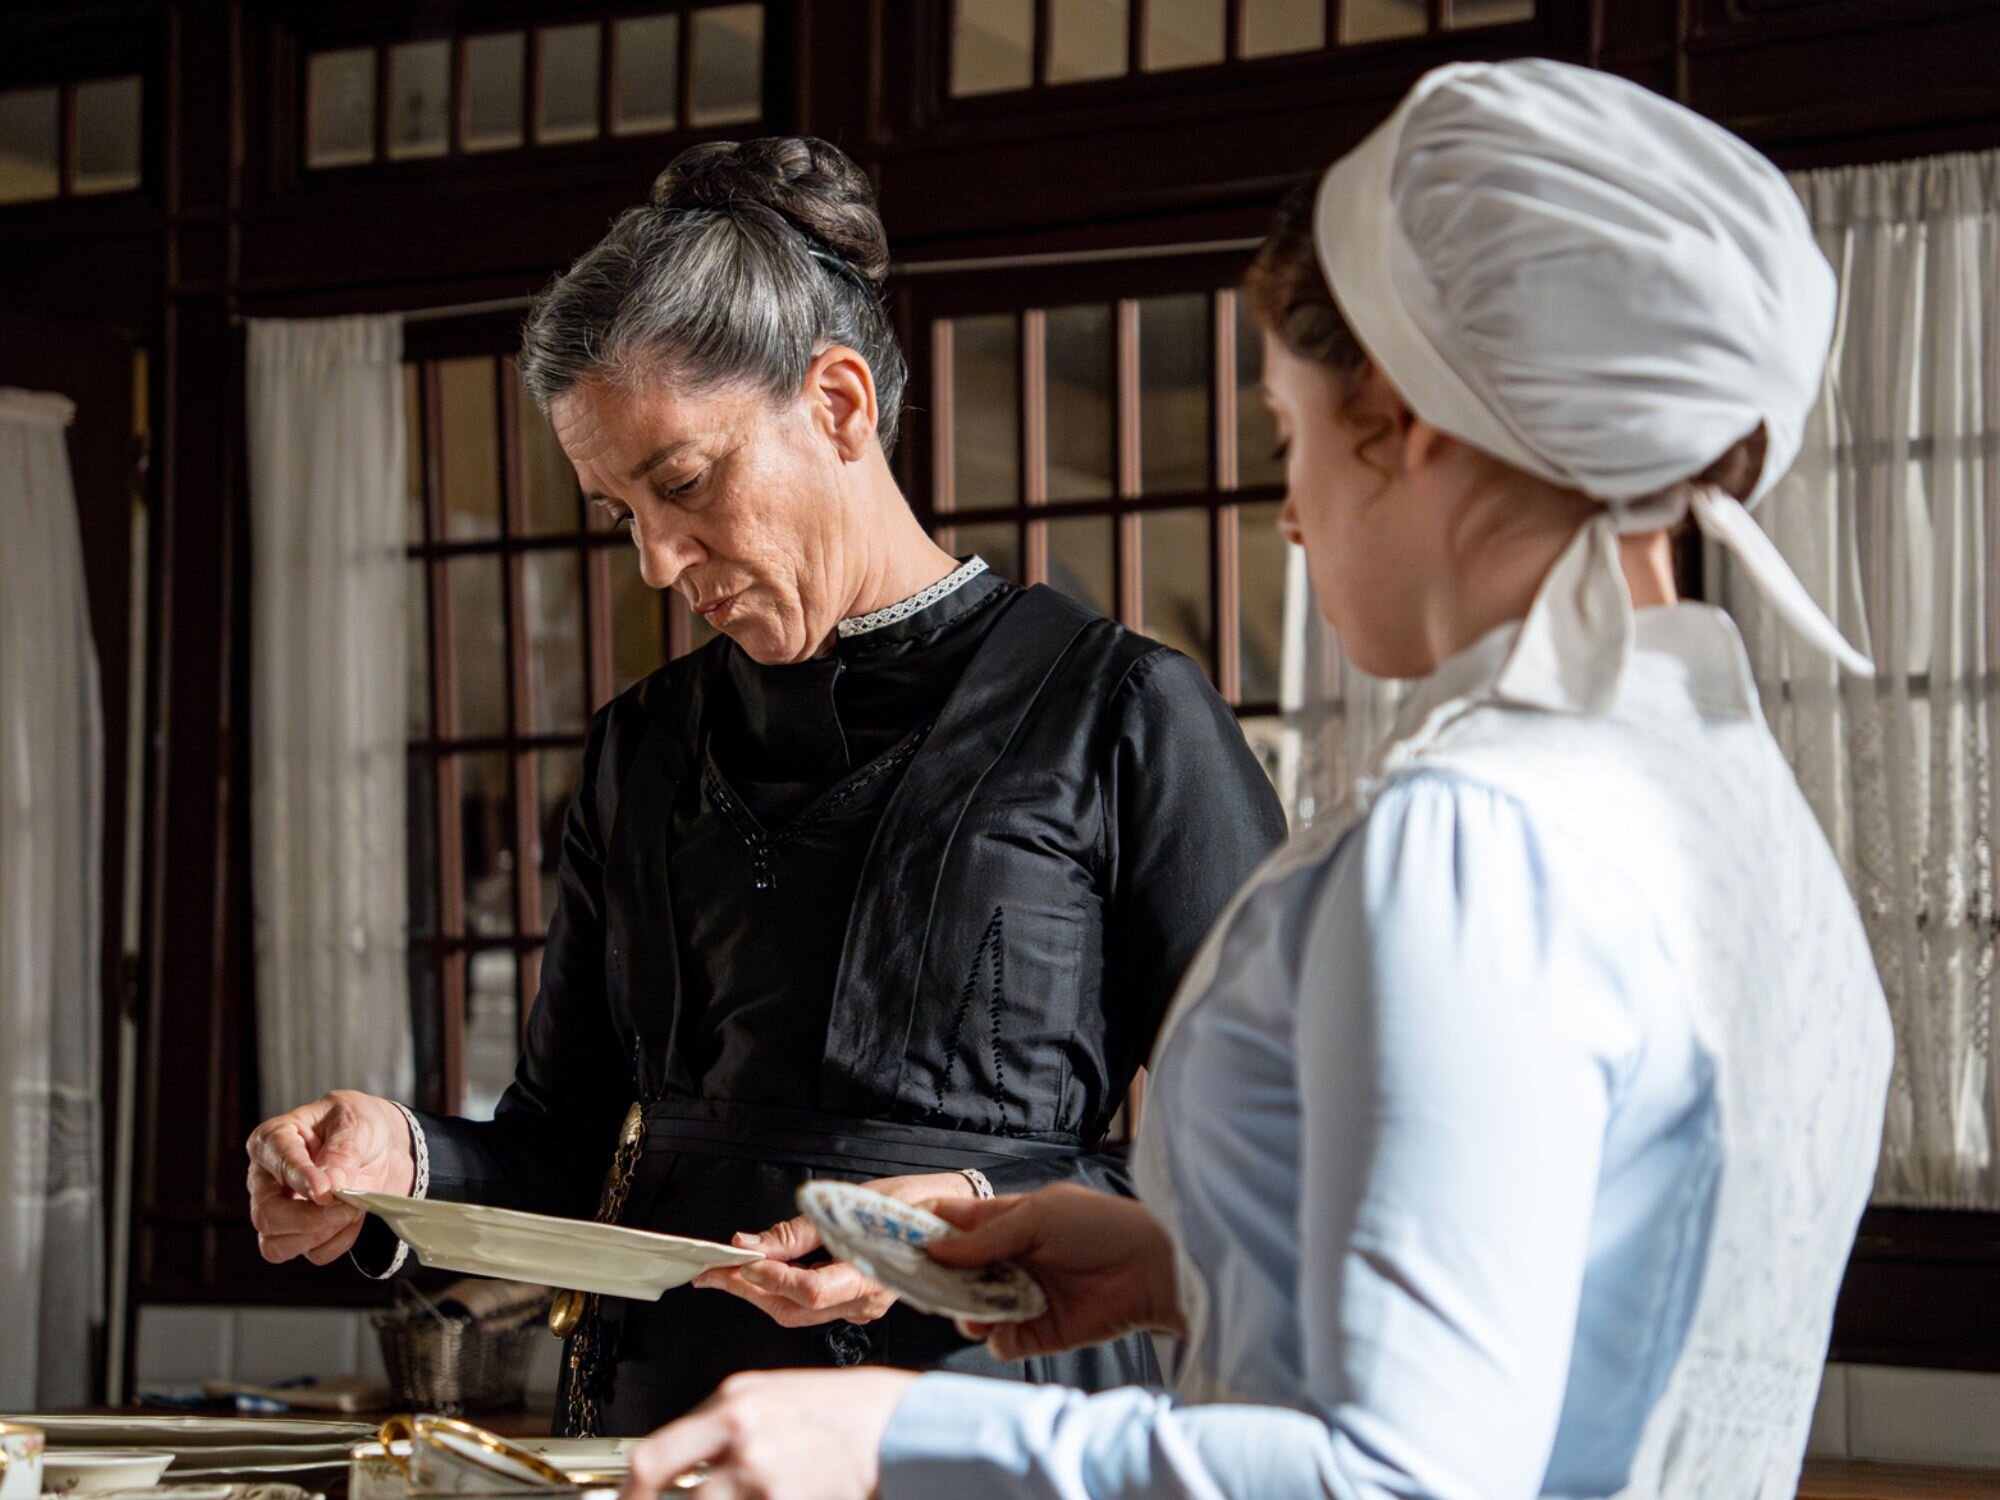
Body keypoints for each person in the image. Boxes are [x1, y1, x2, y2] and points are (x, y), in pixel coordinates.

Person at [610, 59, 1894, 1500]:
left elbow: (1400, 1477)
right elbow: (1572, 1302)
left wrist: (892, 1440)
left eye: (1290, 432)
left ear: (1400, 421)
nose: (1288, 514)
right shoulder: (1736, 811)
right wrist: (1186, 1270)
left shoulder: (1478, 839)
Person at [243, 136, 1288, 1435]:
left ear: (840, 403)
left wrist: (986, 1201)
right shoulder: (642, 749)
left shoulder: (1121, 713)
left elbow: (1273, 1167)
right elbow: (566, 1147)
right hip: (660, 1432)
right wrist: (397, 1162)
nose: (655, 561)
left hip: (979, 1428)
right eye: (620, 513)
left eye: (684, 483)